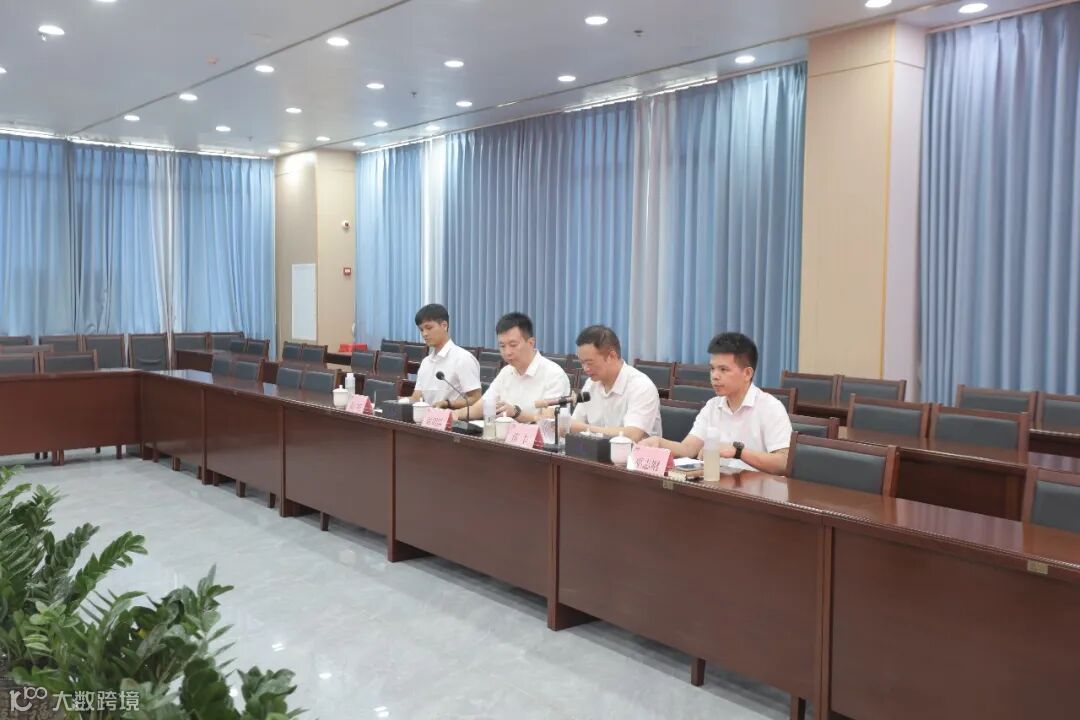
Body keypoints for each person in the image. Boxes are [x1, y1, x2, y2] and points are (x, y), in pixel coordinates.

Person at [637, 332, 791, 474]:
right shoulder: (712, 406)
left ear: (747, 373)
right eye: (712, 369)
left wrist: (738, 452)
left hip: (757, 489)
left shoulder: (770, 408)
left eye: (723, 369)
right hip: (718, 484)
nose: (715, 376)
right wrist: (659, 443)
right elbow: (689, 448)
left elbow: (783, 462)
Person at [454, 312, 569, 424]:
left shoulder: (554, 375)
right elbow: (482, 406)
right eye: (502, 346)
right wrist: (453, 414)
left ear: (531, 343)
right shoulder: (506, 372)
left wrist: (516, 413)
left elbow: (549, 422)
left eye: (513, 345)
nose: (507, 352)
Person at [565, 325, 661, 442]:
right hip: (595, 451)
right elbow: (575, 423)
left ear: (612, 356)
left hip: (633, 453)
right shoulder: (591, 384)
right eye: (582, 363)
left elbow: (633, 436)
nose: (585, 368)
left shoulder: (641, 386)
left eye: (590, 363)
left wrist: (586, 429)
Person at [409, 304, 481, 410]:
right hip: (426, 418)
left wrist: (448, 404)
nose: (424, 334)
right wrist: (397, 401)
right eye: (421, 330)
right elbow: (416, 397)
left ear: (444, 325)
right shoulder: (425, 362)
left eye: (429, 328)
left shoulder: (463, 358)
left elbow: (476, 399)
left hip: (454, 417)